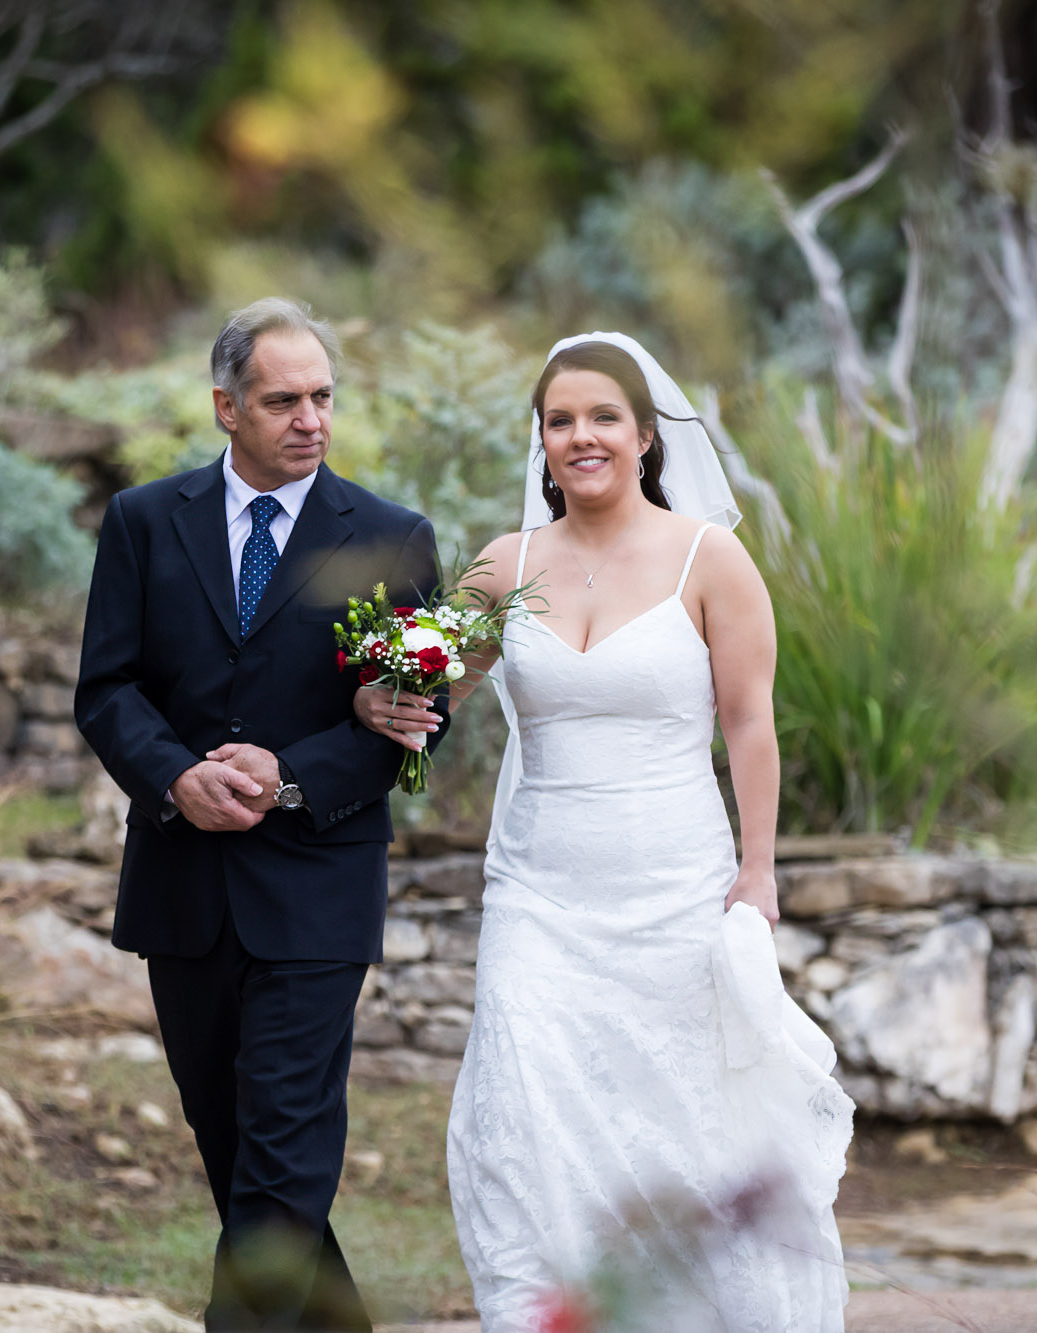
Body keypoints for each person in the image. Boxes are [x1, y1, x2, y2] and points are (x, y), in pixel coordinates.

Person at [354, 333, 853, 1331]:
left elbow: (748, 722)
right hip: (538, 894)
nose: (579, 436)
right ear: (539, 442)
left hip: (674, 889)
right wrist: (385, 693)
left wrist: (757, 871)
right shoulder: (506, 564)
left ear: (642, 434)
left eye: (600, 417)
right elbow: (434, 684)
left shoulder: (708, 559)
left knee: (684, 1130)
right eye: (558, 420)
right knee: (528, 1120)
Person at [75, 297, 445, 1332]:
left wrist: (288, 772)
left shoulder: (387, 535)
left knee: (281, 1146)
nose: (310, 419)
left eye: (322, 397)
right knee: (234, 1149)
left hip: (316, 892)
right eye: (283, 400)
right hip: (181, 890)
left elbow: (419, 714)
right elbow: (104, 690)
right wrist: (174, 777)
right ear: (224, 407)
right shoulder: (144, 522)